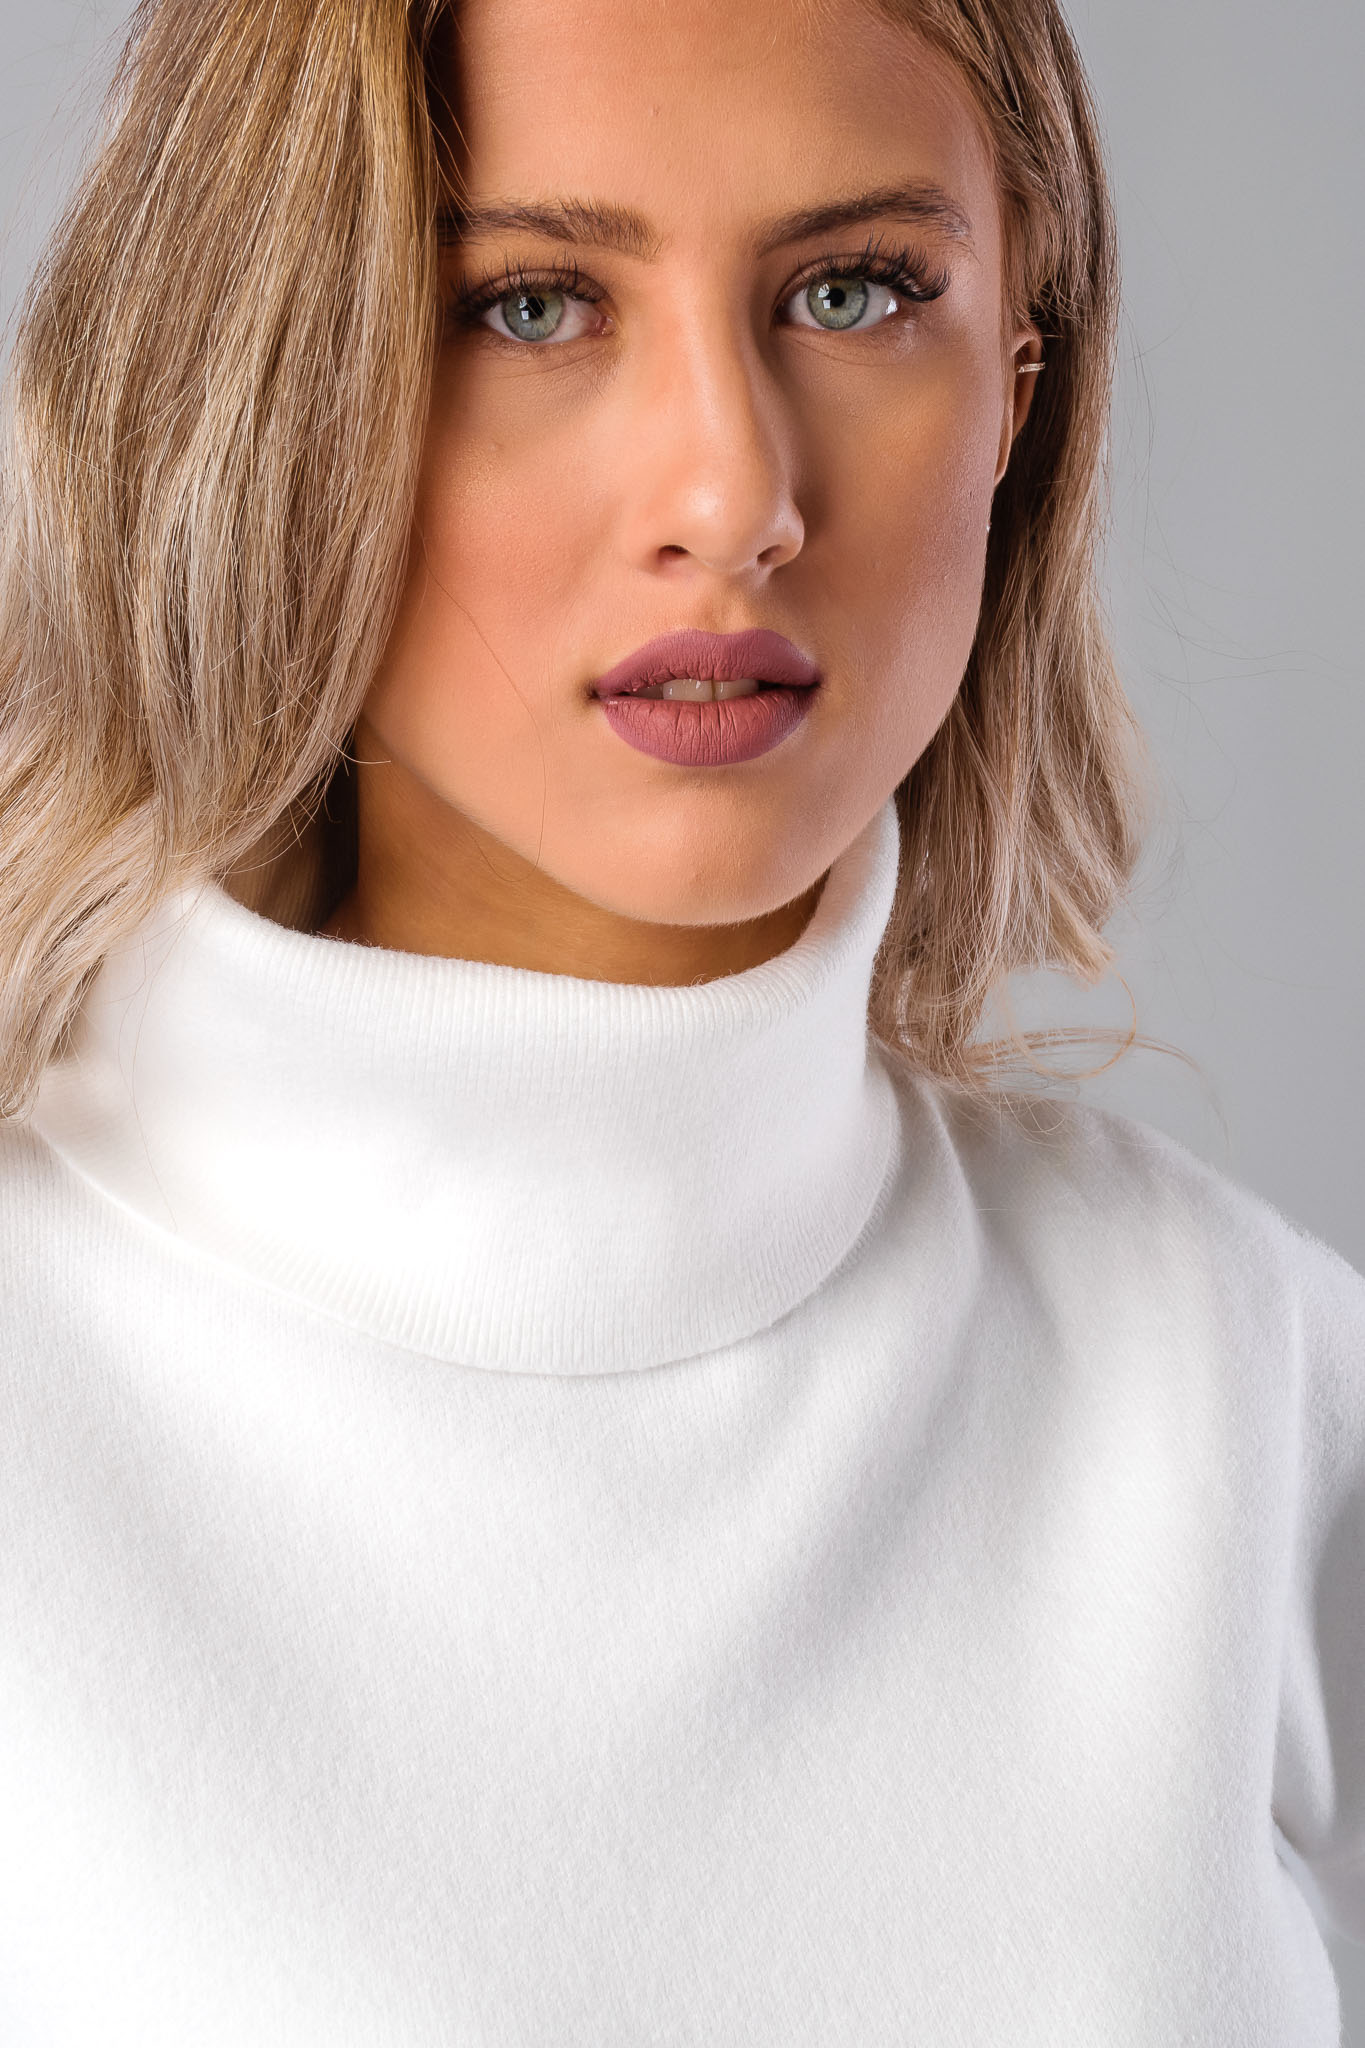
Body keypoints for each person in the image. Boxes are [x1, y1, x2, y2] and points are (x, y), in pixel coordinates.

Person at [0, 0, 1361, 2041]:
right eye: (530, 306)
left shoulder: (1241, 1377)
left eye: (850, 290)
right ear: (262, 377)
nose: (731, 498)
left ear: (1017, 381)